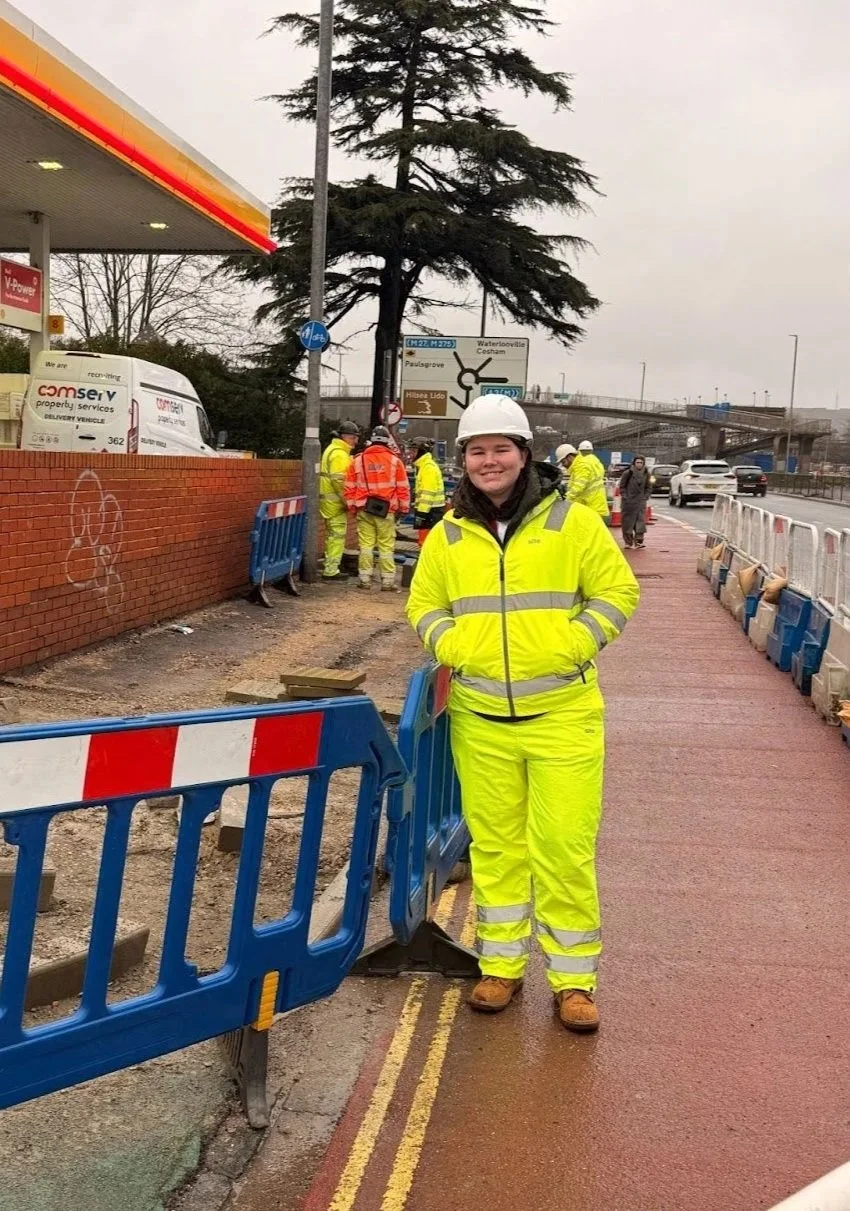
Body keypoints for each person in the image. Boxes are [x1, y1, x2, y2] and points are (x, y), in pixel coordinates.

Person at [406, 395, 639, 1032]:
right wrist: (454, 647)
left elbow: (618, 591)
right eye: (477, 451)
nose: (489, 461)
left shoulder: (572, 522)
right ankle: (501, 967)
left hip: (564, 715)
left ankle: (573, 982)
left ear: (523, 454)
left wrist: (576, 642)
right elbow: (424, 607)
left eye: (500, 449)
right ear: (464, 460)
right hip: (481, 720)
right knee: (499, 851)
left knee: (563, 850)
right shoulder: (449, 534)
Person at [345, 425, 411, 591]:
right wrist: (403, 508)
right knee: (386, 546)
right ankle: (387, 581)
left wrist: (352, 507)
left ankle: (364, 579)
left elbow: (349, 487)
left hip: (363, 508)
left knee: (366, 545)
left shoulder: (358, 460)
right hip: (386, 510)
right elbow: (403, 487)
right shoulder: (395, 462)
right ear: (387, 441)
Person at [319, 421, 359, 581]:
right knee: (336, 537)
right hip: (335, 504)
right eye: (354, 438)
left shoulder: (332, 450)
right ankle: (331, 570)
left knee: (331, 536)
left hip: (328, 502)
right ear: (345, 437)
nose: (356, 441)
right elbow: (339, 481)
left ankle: (331, 565)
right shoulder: (339, 454)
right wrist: (348, 501)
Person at [411, 439, 446, 546]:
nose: (411, 454)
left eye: (414, 451)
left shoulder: (428, 468)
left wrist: (421, 513)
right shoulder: (424, 466)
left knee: (427, 542)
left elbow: (428, 493)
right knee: (426, 541)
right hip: (430, 511)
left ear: (421, 452)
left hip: (430, 512)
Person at [567, 439, 609, 518]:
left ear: (579, 451)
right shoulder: (597, 462)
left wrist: (568, 498)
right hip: (599, 504)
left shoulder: (583, 463)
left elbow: (579, 485)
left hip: (590, 505)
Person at [619, 456, 652, 549]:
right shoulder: (628, 473)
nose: (639, 464)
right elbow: (622, 486)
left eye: (641, 462)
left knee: (640, 522)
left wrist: (645, 497)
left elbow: (649, 486)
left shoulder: (646, 474)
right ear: (634, 463)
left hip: (640, 501)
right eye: (637, 462)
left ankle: (639, 541)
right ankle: (628, 542)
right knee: (627, 523)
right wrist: (625, 496)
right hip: (629, 502)